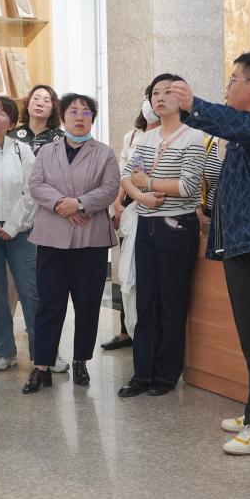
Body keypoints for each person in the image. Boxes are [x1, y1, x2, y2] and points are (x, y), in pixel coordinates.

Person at [168, 51, 250, 455]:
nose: (227, 88)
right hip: (249, 245)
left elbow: (234, 124)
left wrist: (194, 105)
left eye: (233, 80)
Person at [22, 93, 119, 394]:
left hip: (90, 240)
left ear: (92, 119)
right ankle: (42, 367)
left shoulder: (104, 153)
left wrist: (78, 204)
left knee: (87, 304)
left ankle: (81, 361)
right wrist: (60, 204)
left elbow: (110, 189)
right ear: (62, 118)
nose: (79, 117)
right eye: (73, 112)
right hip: (51, 238)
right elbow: (35, 184)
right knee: (49, 304)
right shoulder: (47, 151)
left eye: (86, 112)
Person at [118, 74, 206, 397]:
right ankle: (142, 373)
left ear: (182, 98)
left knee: (171, 303)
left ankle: (167, 375)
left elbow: (188, 186)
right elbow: (127, 177)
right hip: (146, 223)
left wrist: (149, 183)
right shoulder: (146, 138)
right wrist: (142, 196)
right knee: (146, 302)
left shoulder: (193, 137)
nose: (159, 98)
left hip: (176, 226)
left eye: (168, 92)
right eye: (155, 93)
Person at [0, 96, 40, 371]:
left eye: (2, 113)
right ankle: (4, 351)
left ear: (12, 124)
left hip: (22, 232)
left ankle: (43, 352)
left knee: (31, 292)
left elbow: (32, 189)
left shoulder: (22, 150)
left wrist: (13, 226)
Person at [103, 97, 162, 351]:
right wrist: (117, 204)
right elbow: (122, 173)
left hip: (151, 205)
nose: (153, 103)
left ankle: (147, 333)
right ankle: (126, 330)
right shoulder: (132, 136)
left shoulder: (171, 135)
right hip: (127, 206)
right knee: (127, 272)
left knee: (145, 273)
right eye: (150, 97)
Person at [10, 84, 64, 153]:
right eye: (36, 98)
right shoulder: (12, 136)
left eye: (46, 101)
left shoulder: (62, 139)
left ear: (53, 110)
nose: (39, 104)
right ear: (27, 105)